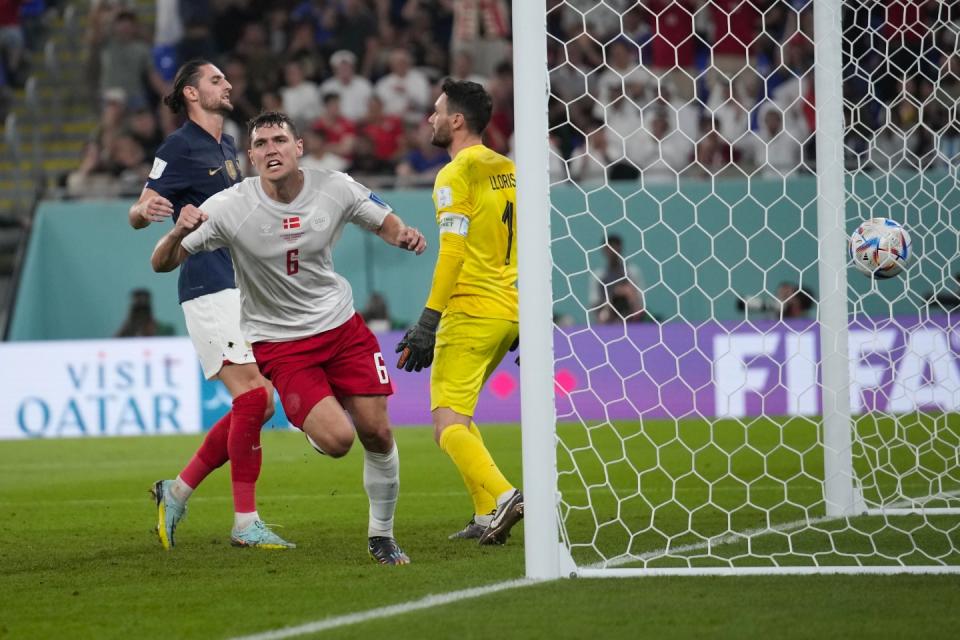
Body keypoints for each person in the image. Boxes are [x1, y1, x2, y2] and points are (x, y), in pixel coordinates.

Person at [150, 111, 426, 565]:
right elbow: (161, 263)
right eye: (260, 144)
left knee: (377, 432)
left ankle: (381, 535)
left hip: (342, 330)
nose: (270, 149)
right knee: (338, 442)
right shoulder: (229, 207)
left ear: (299, 147)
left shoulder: (333, 186)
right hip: (282, 345)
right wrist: (179, 230)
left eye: (279, 140)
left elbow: (382, 218)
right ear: (251, 156)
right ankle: (318, 415)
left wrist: (403, 236)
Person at [128, 59, 291, 551]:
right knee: (255, 399)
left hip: (240, 284)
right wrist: (149, 210)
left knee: (259, 403)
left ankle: (176, 491)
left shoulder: (226, 146)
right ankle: (244, 522)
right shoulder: (178, 147)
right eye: (217, 80)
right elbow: (139, 210)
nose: (228, 85)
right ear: (192, 93)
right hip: (206, 285)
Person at [394, 79, 523, 546]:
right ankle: (487, 513)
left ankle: (506, 495)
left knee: (445, 427)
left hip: (470, 311)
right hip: (507, 313)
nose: (429, 119)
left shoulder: (455, 174)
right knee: (462, 417)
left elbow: (452, 252)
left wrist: (429, 320)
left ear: (457, 121)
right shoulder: (508, 168)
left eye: (436, 111)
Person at [592, 234, 646, 324]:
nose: (612, 251)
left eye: (615, 247)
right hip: (607, 315)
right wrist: (613, 296)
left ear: (620, 248)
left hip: (632, 315)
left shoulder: (632, 272)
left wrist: (628, 293)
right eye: (609, 247)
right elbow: (594, 303)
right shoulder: (598, 275)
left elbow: (640, 299)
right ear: (604, 250)